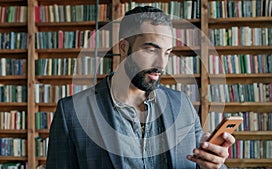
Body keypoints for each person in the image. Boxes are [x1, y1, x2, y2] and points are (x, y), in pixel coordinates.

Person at [46, 6, 235, 169]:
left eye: (167, 52)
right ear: (123, 47)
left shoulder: (181, 104)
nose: (161, 64)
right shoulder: (71, 112)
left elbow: (201, 163)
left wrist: (213, 164)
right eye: (151, 50)